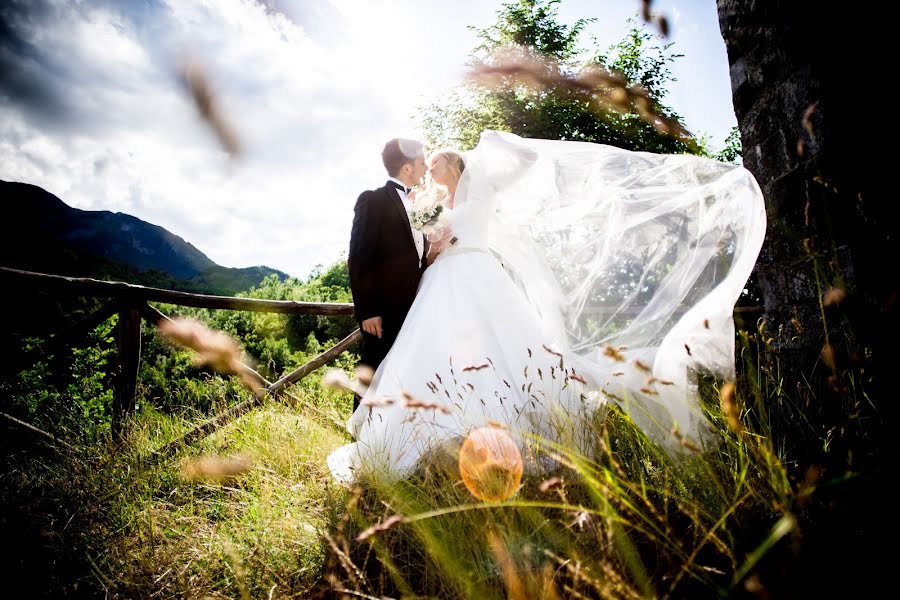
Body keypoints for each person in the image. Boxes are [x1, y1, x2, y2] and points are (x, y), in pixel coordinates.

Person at [328, 130, 766, 483]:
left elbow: (528, 164)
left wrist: (496, 141)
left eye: (437, 161)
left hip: (481, 278)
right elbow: (395, 253)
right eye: (427, 161)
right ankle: (434, 439)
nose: (430, 166)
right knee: (437, 356)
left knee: (502, 353)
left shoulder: (481, 193)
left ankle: (512, 432)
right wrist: (433, 249)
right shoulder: (430, 205)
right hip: (440, 284)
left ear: (456, 164)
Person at [347, 138, 428, 410]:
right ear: (407, 168)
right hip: (383, 310)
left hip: (417, 305)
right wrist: (367, 310)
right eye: (421, 163)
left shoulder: (420, 204)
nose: (426, 168)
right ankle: (357, 435)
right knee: (373, 369)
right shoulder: (374, 200)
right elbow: (359, 257)